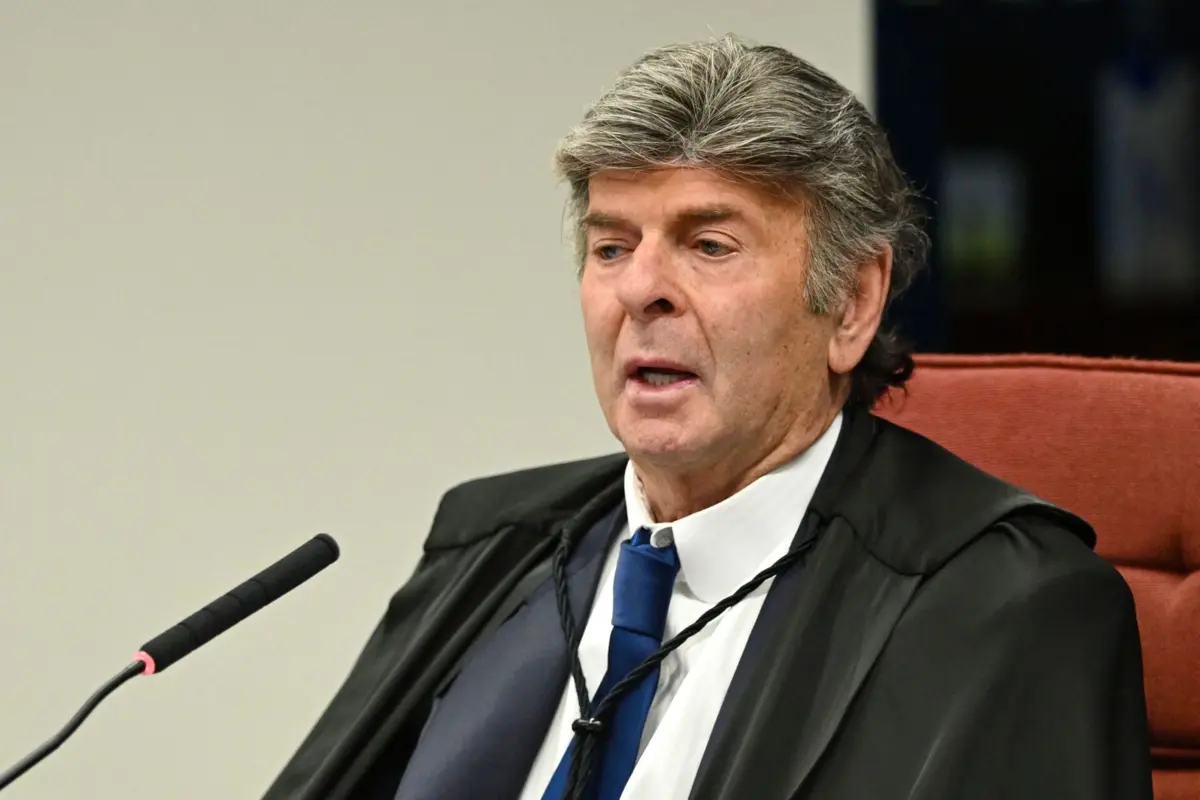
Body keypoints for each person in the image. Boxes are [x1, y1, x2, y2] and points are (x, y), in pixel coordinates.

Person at [264, 35, 1153, 800]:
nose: (642, 289)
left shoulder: (1016, 609)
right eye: (612, 246)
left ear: (850, 302)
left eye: (708, 245)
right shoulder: (493, 546)